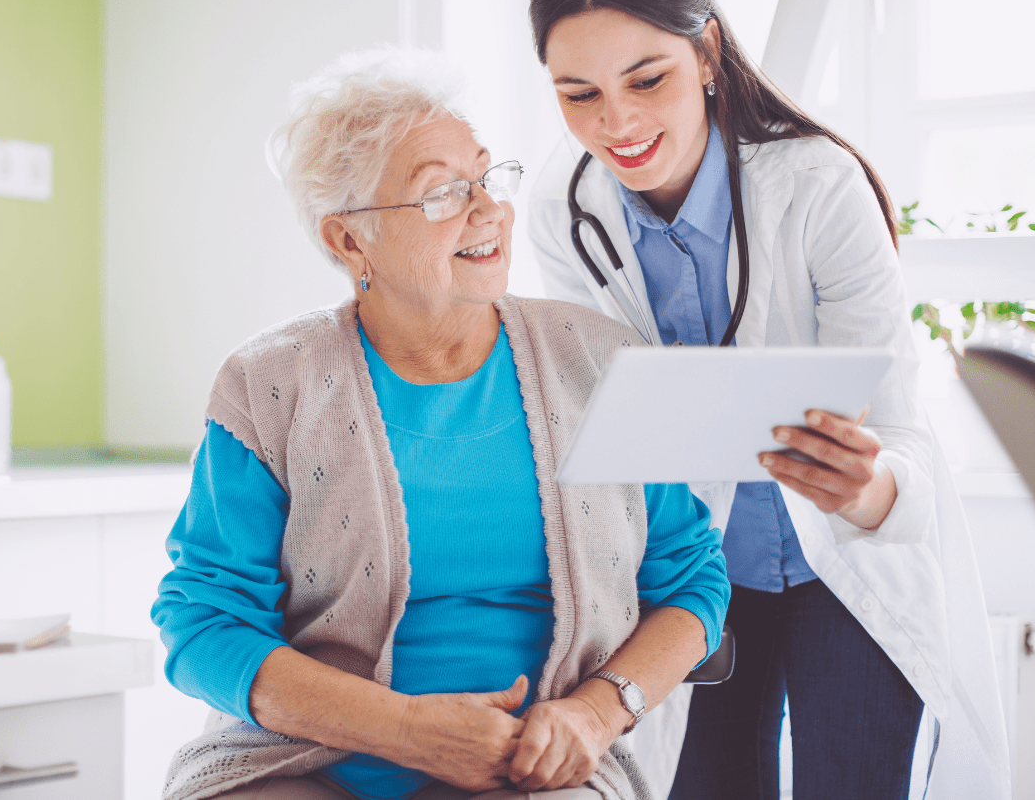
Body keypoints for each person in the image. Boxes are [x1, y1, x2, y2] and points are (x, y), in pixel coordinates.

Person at [152, 48, 730, 800]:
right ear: (349, 239)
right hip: (305, 759)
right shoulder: (268, 386)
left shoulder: (601, 362)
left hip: (531, 768)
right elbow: (203, 622)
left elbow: (691, 582)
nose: (488, 210)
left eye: (488, 177)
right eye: (442, 195)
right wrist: (402, 730)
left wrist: (595, 712)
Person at [524, 0, 1010, 800]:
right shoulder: (563, 207)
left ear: (706, 51)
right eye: (578, 94)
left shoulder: (819, 187)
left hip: (847, 573)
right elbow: (601, 412)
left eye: (648, 78)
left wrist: (862, 488)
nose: (618, 123)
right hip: (687, 578)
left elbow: (897, 430)